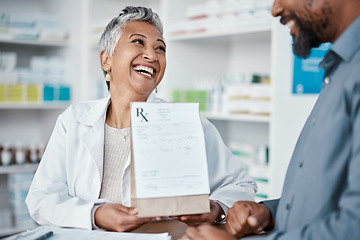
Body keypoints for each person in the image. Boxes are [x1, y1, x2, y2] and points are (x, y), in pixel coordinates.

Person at [25, 6, 257, 232]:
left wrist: (217, 208)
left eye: (160, 48)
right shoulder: (74, 120)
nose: (152, 55)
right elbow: (41, 199)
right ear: (106, 60)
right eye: (138, 42)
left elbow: (240, 185)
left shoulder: (187, 122)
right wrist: (95, 214)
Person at [179, 0, 360, 239]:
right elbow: (330, 196)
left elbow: (353, 225)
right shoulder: (341, 70)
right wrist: (269, 212)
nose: (275, 9)